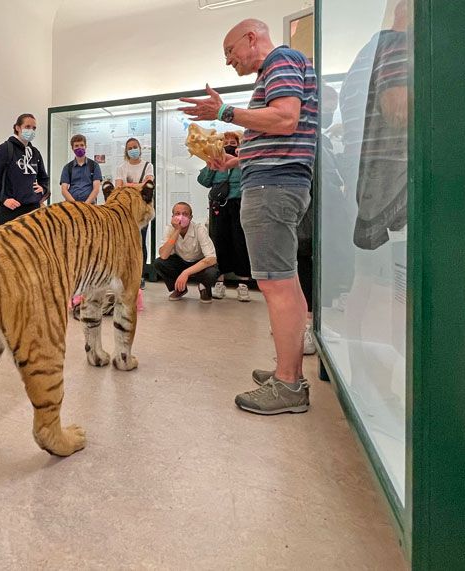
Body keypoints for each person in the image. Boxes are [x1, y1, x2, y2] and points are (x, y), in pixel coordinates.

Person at [180, 18, 318, 415]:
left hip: (273, 188)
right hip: (274, 182)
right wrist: (237, 161)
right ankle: (286, 372)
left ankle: (289, 384)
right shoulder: (281, 66)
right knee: (283, 282)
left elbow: (285, 119)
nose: (229, 62)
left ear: (251, 38)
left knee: (275, 284)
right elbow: (279, 133)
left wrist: (224, 111)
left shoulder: (281, 60)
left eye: (230, 51)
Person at [196, 130, 251, 302]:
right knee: (218, 242)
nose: (228, 144)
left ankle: (243, 285)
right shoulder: (216, 159)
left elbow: (250, 177)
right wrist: (210, 162)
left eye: (233, 142)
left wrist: (239, 159)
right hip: (218, 206)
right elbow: (204, 181)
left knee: (241, 243)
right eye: (225, 141)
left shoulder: (242, 159)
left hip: (239, 203)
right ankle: (219, 282)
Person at [0, 113, 49, 225]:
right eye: (27, 127)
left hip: (33, 210)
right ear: (17, 127)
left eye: (34, 128)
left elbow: (44, 177)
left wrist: (43, 189)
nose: (31, 130)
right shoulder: (4, 149)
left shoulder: (35, 153)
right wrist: (4, 199)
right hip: (11, 211)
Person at [154, 202, 219, 303]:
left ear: (191, 217)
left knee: (212, 272)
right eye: (177, 213)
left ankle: (204, 288)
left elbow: (211, 258)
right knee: (159, 263)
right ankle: (180, 289)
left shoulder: (199, 229)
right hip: (181, 261)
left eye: (185, 214)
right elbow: (163, 255)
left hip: (199, 263)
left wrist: (186, 273)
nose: (181, 217)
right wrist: (176, 231)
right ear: (173, 216)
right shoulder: (170, 229)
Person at [115, 138, 154, 288]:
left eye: (135, 147)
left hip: (141, 212)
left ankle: (140, 275)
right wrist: (138, 186)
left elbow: (149, 185)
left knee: (140, 243)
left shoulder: (148, 166)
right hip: (125, 211)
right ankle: (126, 275)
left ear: (139, 148)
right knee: (125, 244)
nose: (133, 150)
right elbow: (118, 187)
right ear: (126, 150)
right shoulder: (121, 167)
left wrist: (127, 185)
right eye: (130, 148)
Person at [60, 134, 102, 203]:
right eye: (76, 146)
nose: (79, 148)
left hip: (90, 205)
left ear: (86, 146)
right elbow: (64, 190)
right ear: (72, 148)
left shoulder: (94, 166)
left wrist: (86, 204)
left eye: (82, 145)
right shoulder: (67, 167)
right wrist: (76, 205)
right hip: (72, 206)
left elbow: (96, 189)